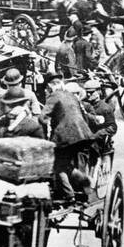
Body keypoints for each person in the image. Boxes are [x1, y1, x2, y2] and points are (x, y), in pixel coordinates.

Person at [43, 73, 95, 201]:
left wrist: (44, 136)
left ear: (51, 86)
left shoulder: (54, 96)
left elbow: (42, 118)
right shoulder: (71, 95)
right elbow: (83, 114)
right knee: (65, 165)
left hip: (67, 136)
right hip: (83, 135)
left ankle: (69, 194)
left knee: (57, 165)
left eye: (48, 88)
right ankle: (84, 179)